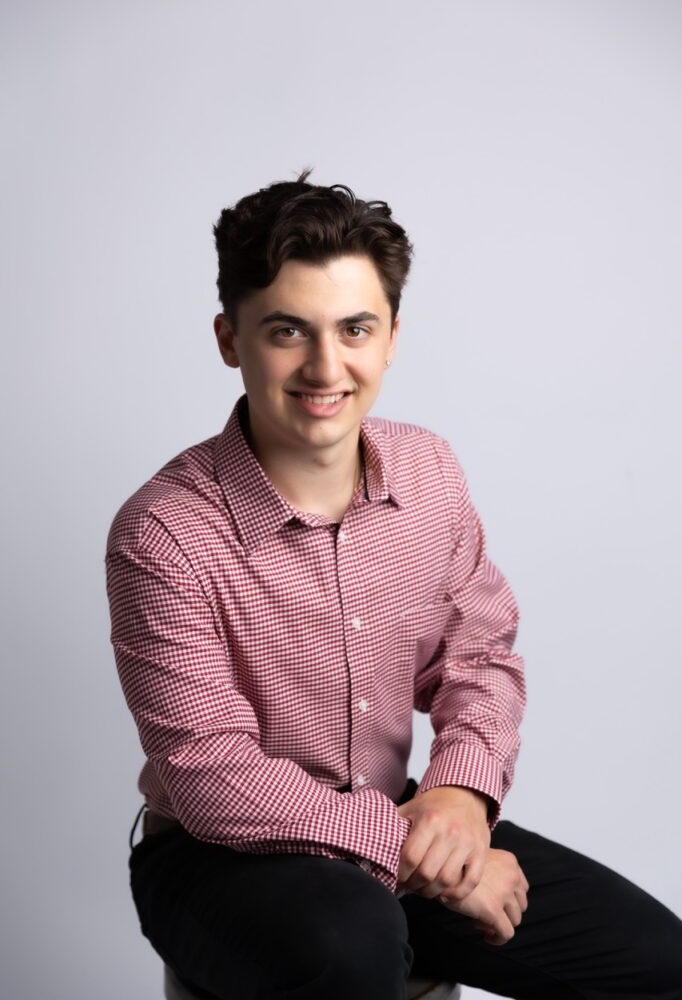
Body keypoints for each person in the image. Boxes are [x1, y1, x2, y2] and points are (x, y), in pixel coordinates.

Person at [105, 169, 682, 999]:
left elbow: (479, 657)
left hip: (400, 816)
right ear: (230, 338)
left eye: (355, 328)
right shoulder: (164, 531)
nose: (325, 365)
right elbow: (210, 769)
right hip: (216, 856)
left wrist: (458, 797)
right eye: (287, 331)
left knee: (655, 959)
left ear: (392, 338)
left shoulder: (429, 470)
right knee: (352, 945)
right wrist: (412, 848)